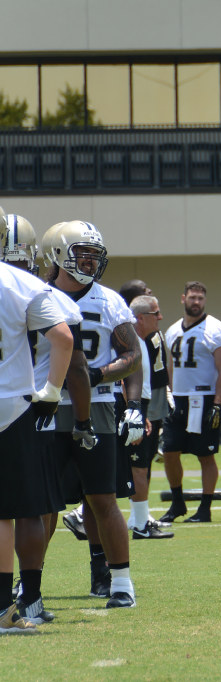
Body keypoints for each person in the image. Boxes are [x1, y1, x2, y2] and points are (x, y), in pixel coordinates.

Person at [43, 220, 143, 608]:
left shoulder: (109, 300)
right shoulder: (39, 295)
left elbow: (133, 356)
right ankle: (28, 584)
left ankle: (120, 583)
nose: (89, 261)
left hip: (99, 407)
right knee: (42, 502)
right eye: (81, 253)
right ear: (57, 254)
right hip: (46, 406)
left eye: (93, 255)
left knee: (102, 499)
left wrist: (95, 375)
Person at [1, 214, 77, 630]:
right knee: (26, 511)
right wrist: (51, 390)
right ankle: (26, 602)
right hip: (15, 404)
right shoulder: (25, 284)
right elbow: (65, 337)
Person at [160, 281, 221, 524]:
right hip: (178, 399)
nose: (196, 302)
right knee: (169, 452)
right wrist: (169, 393)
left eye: (200, 298)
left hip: (204, 398)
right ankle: (177, 502)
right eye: (192, 297)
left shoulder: (216, 329)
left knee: (205, 455)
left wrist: (218, 404)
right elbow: (171, 366)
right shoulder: (172, 331)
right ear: (183, 298)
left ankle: (205, 507)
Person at [124, 294, 174, 539]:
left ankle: (139, 520)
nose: (161, 318)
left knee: (139, 467)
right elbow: (123, 379)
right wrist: (134, 412)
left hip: (139, 406)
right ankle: (141, 525)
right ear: (141, 318)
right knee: (137, 468)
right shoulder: (131, 340)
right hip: (132, 408)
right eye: (156, 313)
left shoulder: (142, 341)